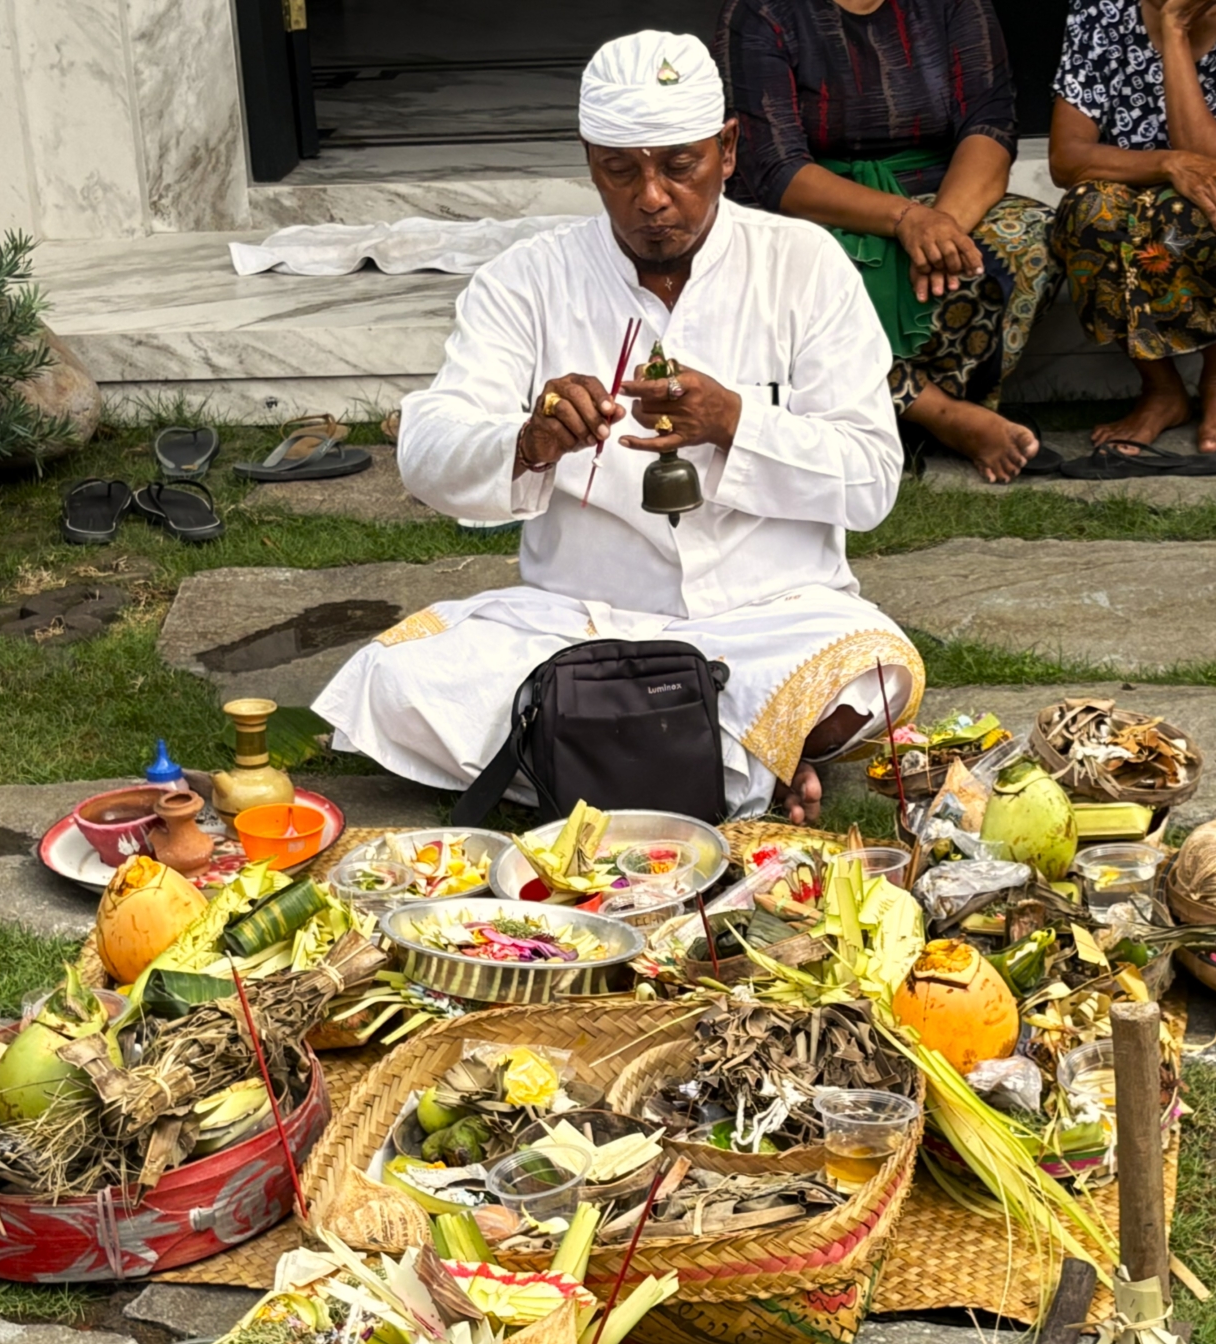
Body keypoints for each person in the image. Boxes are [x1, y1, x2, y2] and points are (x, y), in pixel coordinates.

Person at [314, 31, 922, 825]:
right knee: (392, 685)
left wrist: (736, 421)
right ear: (588, 161)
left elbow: (873, 476)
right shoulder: (526, 280)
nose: (652, 196)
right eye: (620, 169)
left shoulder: (803, 264)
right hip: (581, 624)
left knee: (873, 674)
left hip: (771, 613)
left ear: (729, 149)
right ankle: (740, 768)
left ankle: (591, 761)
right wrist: (527, 441)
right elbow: (428, 449)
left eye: (679, 165)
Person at [720, 0, 1059, 483]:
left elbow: (991, 126)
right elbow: (777, 168)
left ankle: (897, 411)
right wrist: (904, 220)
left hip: (937, 195)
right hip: (812, 207)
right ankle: (938, 414)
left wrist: (941, 226)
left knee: (1029, 237)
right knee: (794, 272)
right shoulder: (761, 12)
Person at [1047, 0, 1216, 459]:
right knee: (1089, 209)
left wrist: (1174, 31)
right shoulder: (1099, 11)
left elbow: (1214, 159)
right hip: (1129, 202)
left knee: (1203, 203)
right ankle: (1161, 389)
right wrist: (1168, 163)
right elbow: (1067, 159)